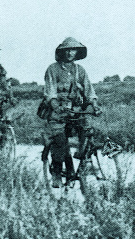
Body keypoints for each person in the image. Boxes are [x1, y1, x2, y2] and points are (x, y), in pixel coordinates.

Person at [43, 37, 101, 188]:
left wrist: (94, 105)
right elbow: (50, 93)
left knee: (87, 131)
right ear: (61, 52)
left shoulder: (80, 70)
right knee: (60, 140)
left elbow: (89, 91)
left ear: (77, 52)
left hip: (75, 111)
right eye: (67, 50)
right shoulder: (52, 69)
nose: (70, 53)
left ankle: (84, 163)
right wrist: (57, 106)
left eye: (73, 50)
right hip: (58, 112)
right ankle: (56, 172)